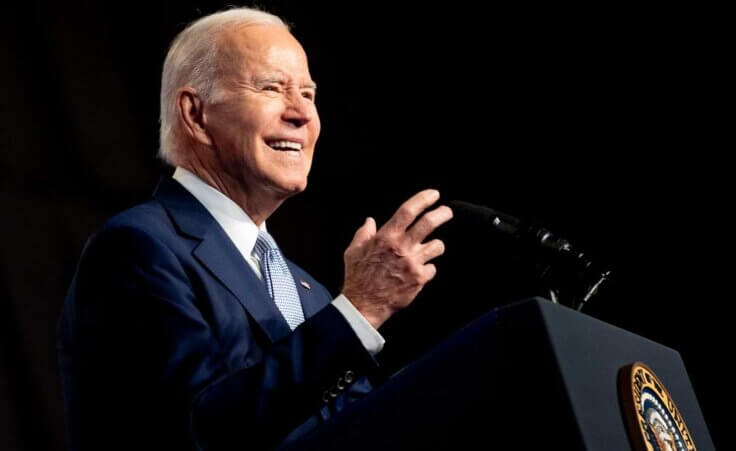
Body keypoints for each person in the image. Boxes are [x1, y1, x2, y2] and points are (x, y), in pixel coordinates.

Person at [57, 7, 452, 451]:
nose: (302, 113)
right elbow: (203, 428)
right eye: (271, 88)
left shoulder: (310, 293)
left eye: (309, 93)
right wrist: (360, 310)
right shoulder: (139, 248)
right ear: (195, 113)